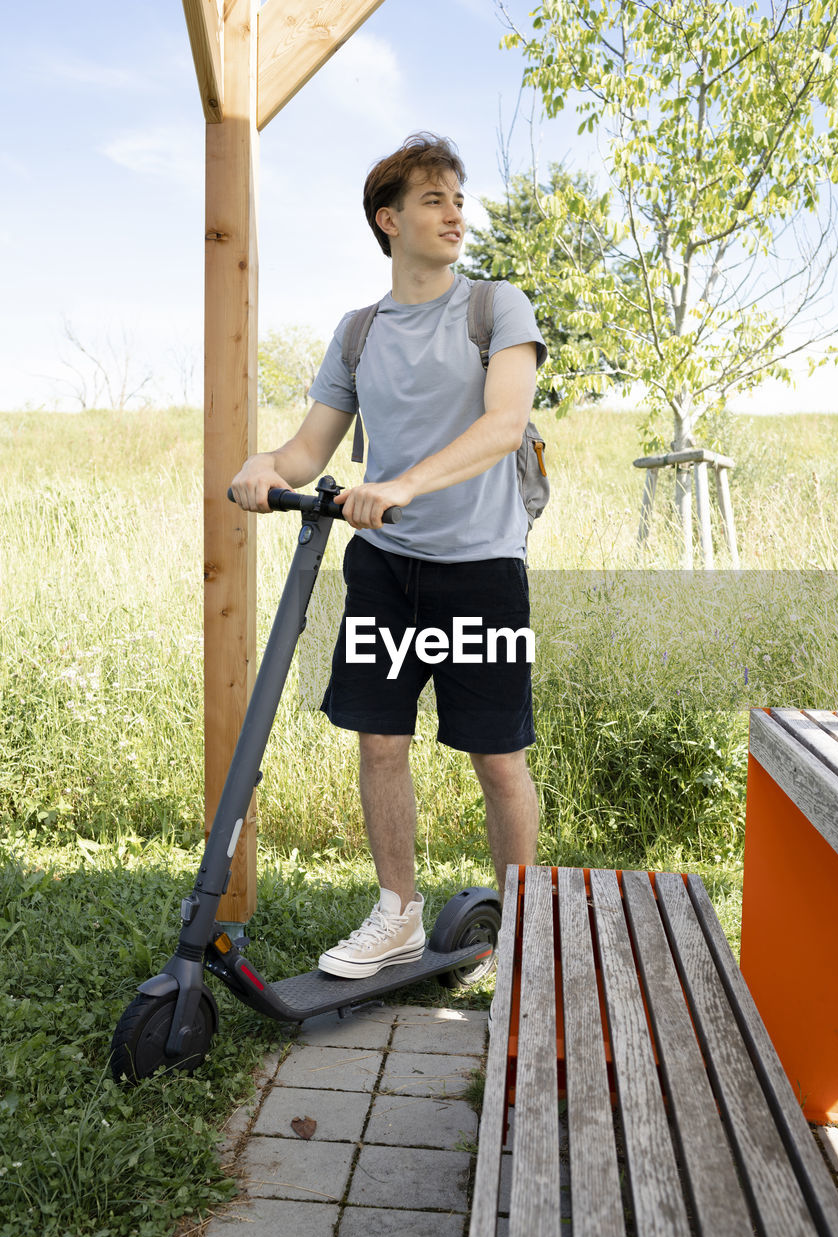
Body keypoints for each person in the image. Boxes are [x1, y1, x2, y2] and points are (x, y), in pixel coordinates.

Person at [230, 132, 546, 978]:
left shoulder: (494, 305)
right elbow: (307, 450)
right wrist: (263, 471)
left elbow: (503, 426)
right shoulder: (360, 331)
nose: (454, 214)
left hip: (479, 567)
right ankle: (397, 912)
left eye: (458, 199)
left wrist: (400, 485)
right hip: (383, 569)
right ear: (389, 218)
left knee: (497, 758)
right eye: (434, 199)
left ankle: (521, 935)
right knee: (378, 744)